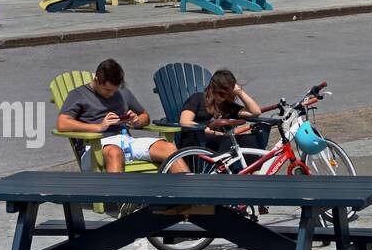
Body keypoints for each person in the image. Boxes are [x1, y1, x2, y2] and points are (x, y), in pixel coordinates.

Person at [56, 59, 188, 174]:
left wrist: (137, 121)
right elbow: (62, 123)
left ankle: (190, 198)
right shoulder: (79, 94)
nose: (112, 94)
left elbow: (145, 116)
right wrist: (98, 127)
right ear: (96, 80)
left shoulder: (122, 93)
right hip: (96, 146)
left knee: (168, 148)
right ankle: (116, 203)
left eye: (115, 90)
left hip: (127, 141)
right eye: (107, 90)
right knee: (115, 152)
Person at [177, 69, 263, 155]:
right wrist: (209, 130)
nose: (224, 97)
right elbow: (184, 121)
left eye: (228, 94)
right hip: (196, 142)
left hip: (219, 141)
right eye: (222, 94)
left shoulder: (226, 106)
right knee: (229, 142)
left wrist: (240, 92)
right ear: (212, 88)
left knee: (249, 140)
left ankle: (246, 168)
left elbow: (255, 112)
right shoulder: (198, 98)